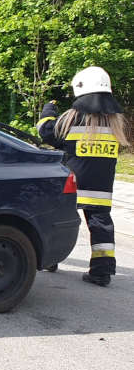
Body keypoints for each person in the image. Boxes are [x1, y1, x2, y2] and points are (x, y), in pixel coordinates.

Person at [38, 66, 129, 286]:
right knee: (101, 228)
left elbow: (46, 132)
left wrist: (48, 111)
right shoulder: (115, 123)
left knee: (57, 221)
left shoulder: (72, 118)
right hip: (100, 189)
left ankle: (50, 261)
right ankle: (102, 272)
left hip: (73, 184)